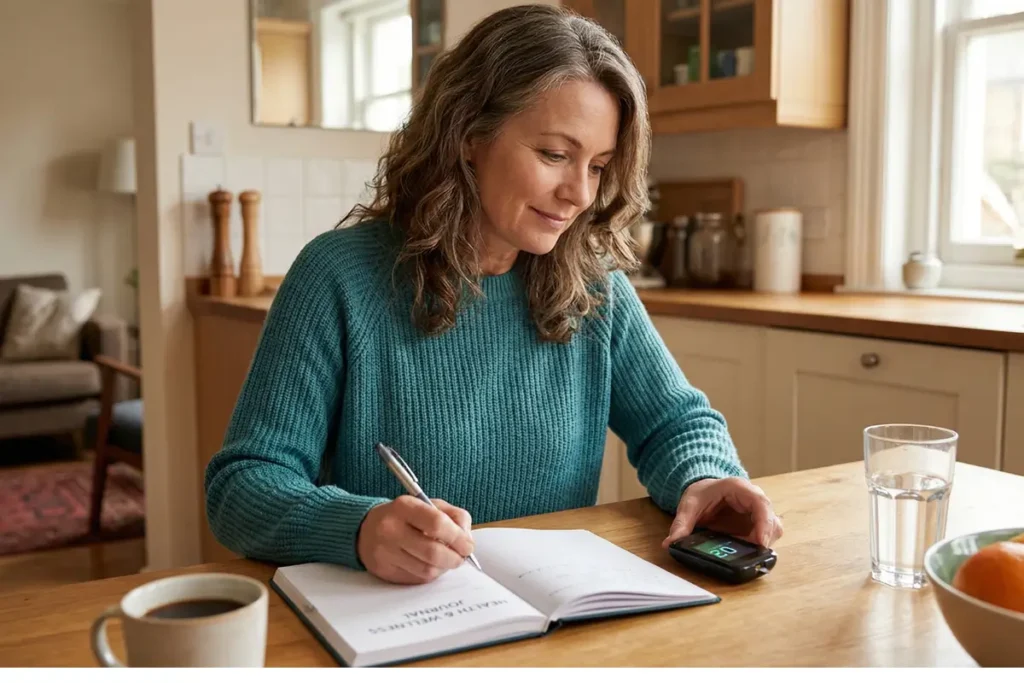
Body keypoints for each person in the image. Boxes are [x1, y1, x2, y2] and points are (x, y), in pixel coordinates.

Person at [204, 4, 782, 586]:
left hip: (555, 611)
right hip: (396, 615)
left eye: (598, 166)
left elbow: (674, 422)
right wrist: (358, 527)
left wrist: (705, 477)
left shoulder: (594, 284)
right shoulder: (338, 277)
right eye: (555, 155)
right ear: (468, 135)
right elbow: (243, 485)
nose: (580, 193)